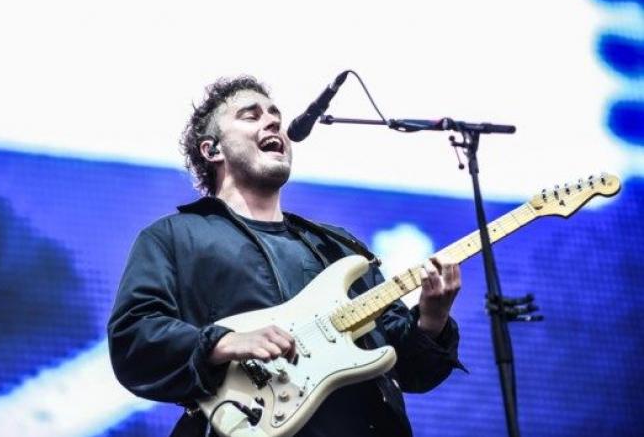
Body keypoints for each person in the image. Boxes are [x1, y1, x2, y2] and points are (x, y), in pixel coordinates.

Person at [108, 76, 464, 437]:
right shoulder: (174, 236)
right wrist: (224, 342)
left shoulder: (339, 247)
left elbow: (413, 372)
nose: (273, 121)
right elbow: (134, 337)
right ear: (212, 150)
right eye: (251, 115)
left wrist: (432, 320)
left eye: (275, 114)